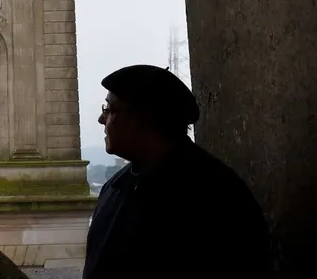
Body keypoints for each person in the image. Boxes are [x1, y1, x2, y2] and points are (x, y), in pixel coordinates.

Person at [82, 65, 271, 278]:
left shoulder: (215, 197)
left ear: (142, 118)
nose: (101, 119)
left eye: (110, 109)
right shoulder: (115, 187)